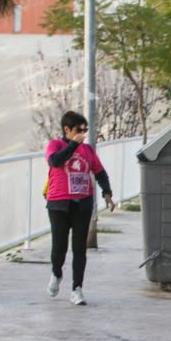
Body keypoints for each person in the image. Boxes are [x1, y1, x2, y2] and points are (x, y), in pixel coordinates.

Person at [44, 111, 116, 306]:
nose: (83, 134)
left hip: (83, 204)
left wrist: (107, 192)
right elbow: (55, 161)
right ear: (66, 130)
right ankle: (56, 273)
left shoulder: (88, 150)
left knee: (79, 248)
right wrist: (73, 144)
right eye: (79, 130)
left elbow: (100, 172)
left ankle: (77, 289)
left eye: (85, 130)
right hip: (59, 203)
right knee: (59, 246)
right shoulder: (55, 145)